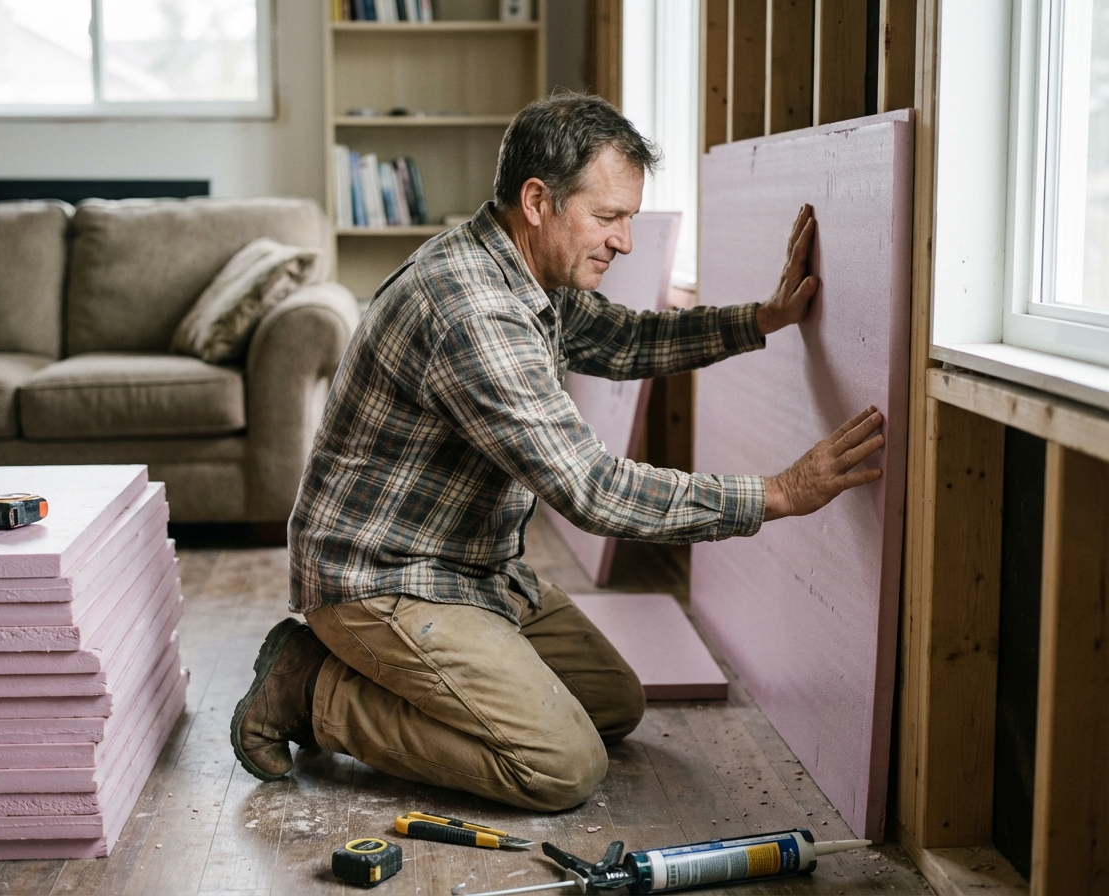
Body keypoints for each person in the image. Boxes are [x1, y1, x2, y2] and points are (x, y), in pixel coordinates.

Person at [230, 93, 884, 812]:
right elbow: (594, 491)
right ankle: (311, 690)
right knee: (561, 766)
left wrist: (762, 319)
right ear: (538, 200)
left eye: (629, 218)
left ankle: (379, 676)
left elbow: (626, 340)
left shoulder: (519, 267)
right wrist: (779, 494)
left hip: (467, 567)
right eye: (608, 218)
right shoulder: (474, 311)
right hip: (382, 578)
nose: (625, 241)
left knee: (611, 705)